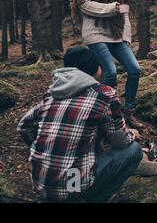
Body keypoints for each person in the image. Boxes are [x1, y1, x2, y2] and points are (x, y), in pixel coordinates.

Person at [17, 47, 143, 202]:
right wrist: (132, 134)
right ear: (95, 69)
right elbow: (119, 140)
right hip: (72, 187)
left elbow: (23, 126)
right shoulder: (104, 94)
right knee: (134, 150)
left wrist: (46, 147)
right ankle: (95, 198)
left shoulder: (53, 93)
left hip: (42, 185)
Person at [71, 0, 144, 129]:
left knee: (134, 69)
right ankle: (103, 114)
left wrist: (127, 36)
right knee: (110, 72)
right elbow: (82, 2)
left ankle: (128, 112)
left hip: (117, 33)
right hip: (95, 31)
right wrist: (110, 9)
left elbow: (126, 7)